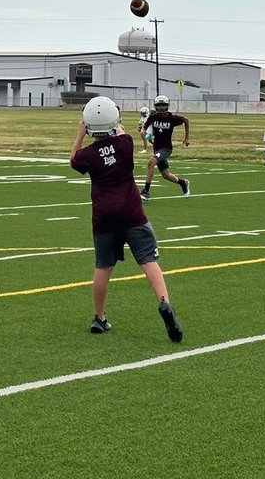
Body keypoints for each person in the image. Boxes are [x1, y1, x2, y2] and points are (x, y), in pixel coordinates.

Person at [69, 96, 182, 343]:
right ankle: (164, 303)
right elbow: (120, 130)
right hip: (132, 212)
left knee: (103, 268)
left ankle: (99, 317)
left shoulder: (87, 155)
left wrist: (80, 132)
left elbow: (73, 159)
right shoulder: (126, 143)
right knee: (149, 261)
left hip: (104, 215)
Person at [140, 95, 191, 200]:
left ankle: (146, 191)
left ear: (167, 106)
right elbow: (145, 126)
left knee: (151, 162)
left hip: (166, 149)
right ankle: (183, 183)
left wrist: (187, 138)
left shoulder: (172, 118)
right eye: (159, 105)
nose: (161, 108)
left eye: (163, 105)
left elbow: (186, 120)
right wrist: (143, 130)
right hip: (157, 148)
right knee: (165, 175)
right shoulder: (153, 116)